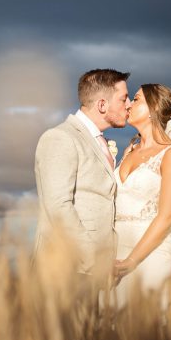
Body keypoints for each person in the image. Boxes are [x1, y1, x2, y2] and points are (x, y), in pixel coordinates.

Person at [33, 69, 131, 285]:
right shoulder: (60, 138)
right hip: (66, 269)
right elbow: (58, 206)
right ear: (102, 105)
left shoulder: (98, 140)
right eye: (124, 99)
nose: (129, 104)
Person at [111, 83, 171, 309]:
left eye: (135, 99)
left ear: (152, 108)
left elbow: (167, 217)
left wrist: (131, 261)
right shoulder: (128, 151)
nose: (128, 104)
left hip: (150, 257)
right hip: (117, 256)